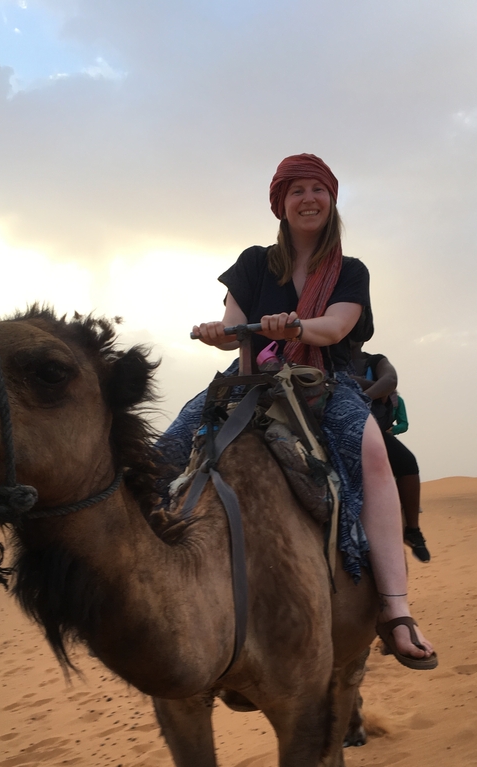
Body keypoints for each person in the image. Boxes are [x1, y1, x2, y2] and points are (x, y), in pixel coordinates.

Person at [161, 153, 436, 669]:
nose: (308, 199)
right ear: (280, 204)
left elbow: (333, 329)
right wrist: (219, 333)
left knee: (373, 456)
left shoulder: (350, 273)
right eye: (296, 191)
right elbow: (234, 326)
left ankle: (395, 611)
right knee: (167, 449)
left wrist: (295, 328)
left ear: (331, 200)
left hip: (323, 385)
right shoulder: (252, 263)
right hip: (250, 382)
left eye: (318, 190)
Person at [350, 345, 431, 562]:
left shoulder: (375, 362)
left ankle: (412, 529)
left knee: (407, 463)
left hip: (375, 429)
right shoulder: (316, 357)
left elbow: (401, 419)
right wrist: (375, 389)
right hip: (335, 421)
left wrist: (362, 392)